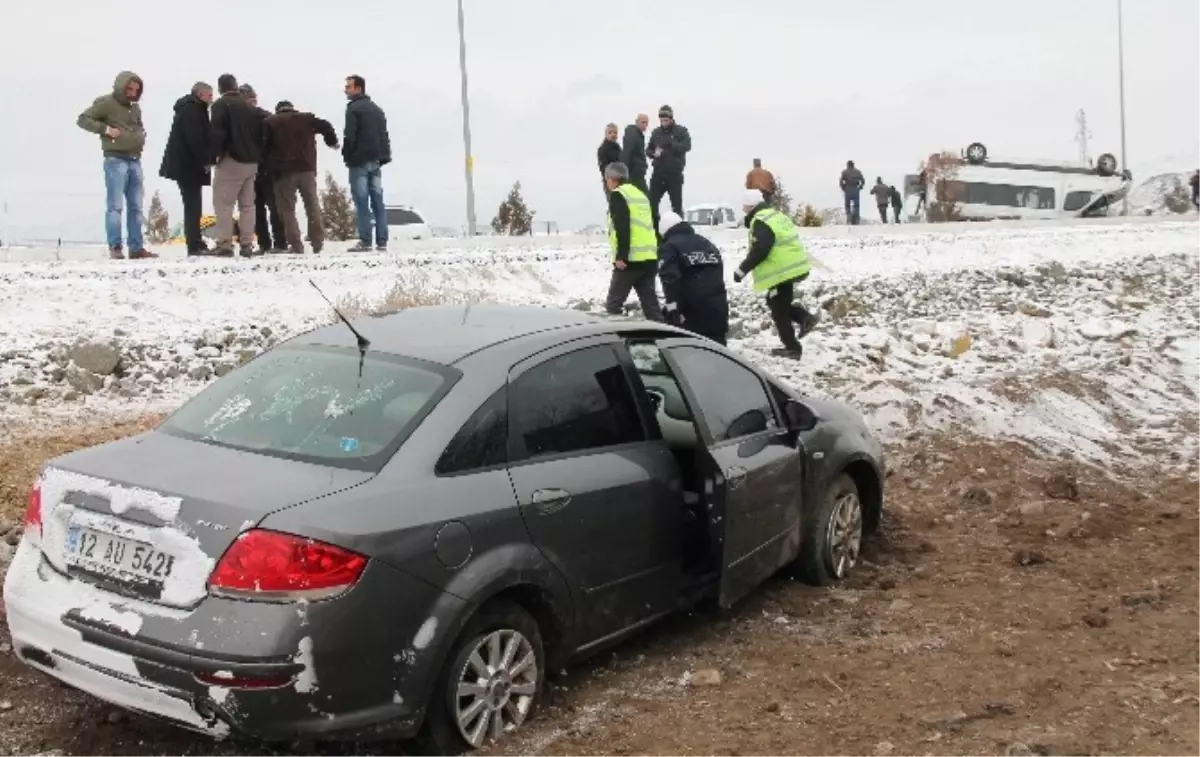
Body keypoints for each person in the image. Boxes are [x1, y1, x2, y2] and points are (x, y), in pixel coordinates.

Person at [77, 71, 156, 259]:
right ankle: (115, 247)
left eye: (136, 90)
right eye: (129, 88)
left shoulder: (135, 108)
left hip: (135, 159)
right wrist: (106, 130)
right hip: (115, 160)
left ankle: (136, 248)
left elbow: (139, 125)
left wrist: (141, 135)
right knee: (115, 206)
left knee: (136, 206)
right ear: (121, 86)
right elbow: (83, 119)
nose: (132, 92)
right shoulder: (106, 103)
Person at [734, 189, 819, 357]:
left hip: (783, 271)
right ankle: (804, 319)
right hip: (795, 267)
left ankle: (793, 348)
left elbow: (761, 248)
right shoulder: (776, 216)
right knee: (776, 303)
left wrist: (742, 269)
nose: (743, 210)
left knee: (778, 309)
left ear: (750, 205)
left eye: (744, 206)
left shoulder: (760, 221)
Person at [264, 101, 340, 254]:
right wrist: (332, 141)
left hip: (283, 172)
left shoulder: (270, 122)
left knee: (287, 210)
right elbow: (325, 126)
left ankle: (296, 245)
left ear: (278, 110)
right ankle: (317, 241)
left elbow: (263, 146)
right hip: (307, 169)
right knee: (312, 205)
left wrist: (267, 167)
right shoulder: (306, 119)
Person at [209, 73, 262, 257]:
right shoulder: (248, 106)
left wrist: (213, 157)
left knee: (224, 204)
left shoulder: (221, 105)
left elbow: (218, 134)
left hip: (232, 160)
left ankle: (224, 244)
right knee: (247, 205)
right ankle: (247, 244)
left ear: (220, 88)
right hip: (252, 162)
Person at [656, 210, 728, 344]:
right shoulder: (707, 243)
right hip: (718, 308)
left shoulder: (669, 247)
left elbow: (670, 279)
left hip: (691, 312)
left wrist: (673, 308)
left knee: (693, 356)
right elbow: (718, 272)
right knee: (719, 355)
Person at [159, 82, 214, 256]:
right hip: (188, 166)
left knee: (193, 204)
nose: (211, 99)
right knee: (192, 205)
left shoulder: (190, 108)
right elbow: (195, 138)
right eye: (209, 95)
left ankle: (196, 241)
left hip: (185, 165)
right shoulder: (192, 110)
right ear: (200, 94)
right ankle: (194, 244)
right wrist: (205, 160)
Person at [603, 162, 662, 321]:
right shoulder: (640, 195)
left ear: (612, 179)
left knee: (613, 307)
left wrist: (621, 255)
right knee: (651, 307)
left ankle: (616, 340)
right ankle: (663, 338)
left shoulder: (618, 194)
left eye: (606, 179)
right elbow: (653, 223)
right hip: (648, 259)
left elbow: (623, 226)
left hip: (630, 261)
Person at [342, 74, 392, 252]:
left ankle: (365, 240)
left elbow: (350, 136)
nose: (345, 90)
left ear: (358, 88)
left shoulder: (353, 109)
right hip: (376, 161)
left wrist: (347, 156)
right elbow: (384, 136)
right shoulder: (377, 110)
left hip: (359, 161)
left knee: (362, 201)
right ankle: (382, 240)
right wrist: (384, 156)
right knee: (378, 200)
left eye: (348, 87)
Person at [240, 84, 287, 253]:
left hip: (258, 166)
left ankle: (274, 243)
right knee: (263, 207)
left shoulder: (250, 120)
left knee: (264, 207)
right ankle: (272, 243)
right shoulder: (267, 117)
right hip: (265, 167)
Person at [646, 105, 691, 234]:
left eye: (666, 118)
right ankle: (655, 230)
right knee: (652, 204)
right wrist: (653, 153)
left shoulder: (681, 131)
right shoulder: (656, 133)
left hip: (674, 174)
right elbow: (648, 150)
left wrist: (672, 144)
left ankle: (680, 233)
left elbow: (687, 146)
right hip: (658, 174)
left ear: (671, 118)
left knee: (676, 206)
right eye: (661, 118)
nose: (663, 120)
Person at [621, 113, 650, 194]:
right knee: (645, 196)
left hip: (637, 172)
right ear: (637, 122)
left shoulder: (637, 134)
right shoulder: (633, 134)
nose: (645, 125)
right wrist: (625, 171)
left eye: (646, 123)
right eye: (643, 122)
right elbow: (627, 151)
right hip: (633, 173)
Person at [597, 123, 621, 198]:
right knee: (614, 204)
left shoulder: (618, 148)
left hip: (621, 180)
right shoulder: (603, 149)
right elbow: (603, 167)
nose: (613, 135)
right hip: (611, 182)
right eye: (610, 132)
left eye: (615, 132)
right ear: (606, 134)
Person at [840, 160, 865, 225]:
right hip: (856, 189)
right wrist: (860, 187)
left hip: (848, 189)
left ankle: (849, 218)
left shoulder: (844, 172)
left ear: (848, 165)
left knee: (847, 205)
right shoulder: (858, 172)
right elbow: (862, 180)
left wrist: (843, 188)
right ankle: (856, 219)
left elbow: (841, 181)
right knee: (856, 205)